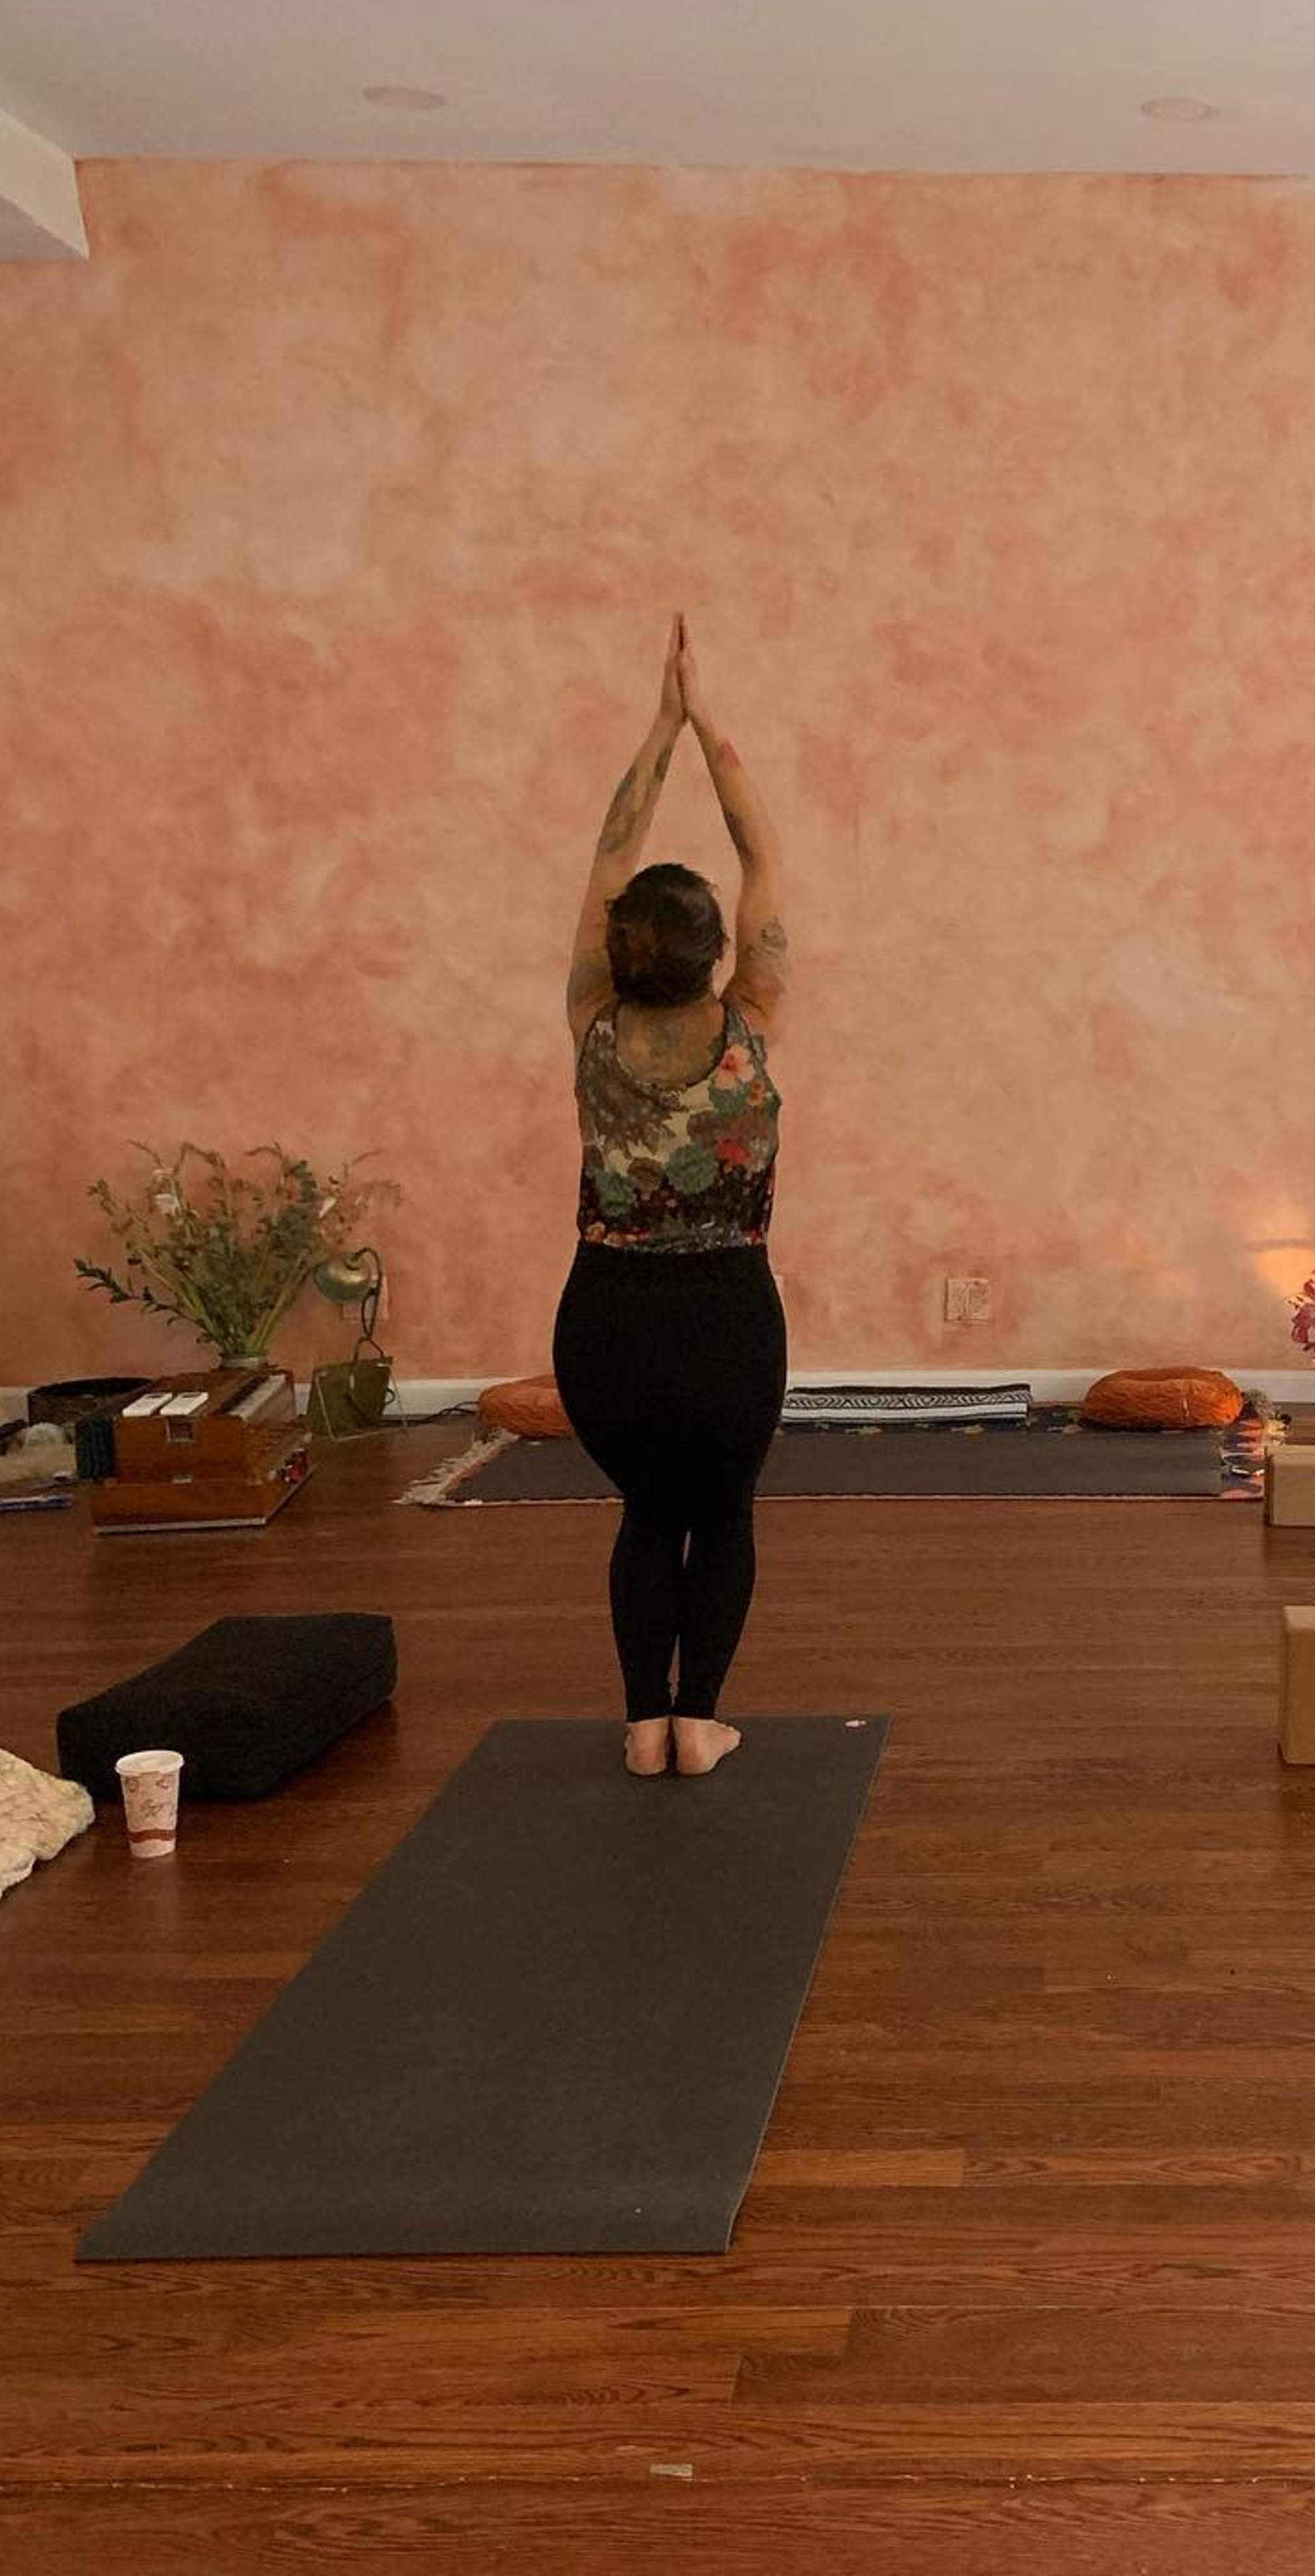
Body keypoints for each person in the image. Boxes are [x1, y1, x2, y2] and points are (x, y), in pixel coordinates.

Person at [551, 615, 790, 1776]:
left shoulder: (590, 1022)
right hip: (728, 1321)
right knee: (724, 1514)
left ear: (617, 949)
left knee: (649, 1514)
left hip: (605, 1324)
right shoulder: (754, 1022)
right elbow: (765, 861)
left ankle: (645, 1724)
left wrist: (655, 729)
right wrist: (704, 726)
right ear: (715, 954)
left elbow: (608, 861)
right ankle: (702, 1721)